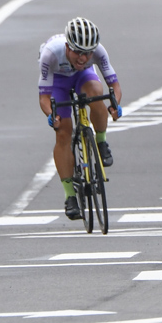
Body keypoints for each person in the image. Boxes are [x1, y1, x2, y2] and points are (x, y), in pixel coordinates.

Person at [38, 18, 123, 220]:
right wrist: (52, 116)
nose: (83, 58)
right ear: (68, 46)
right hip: (57, 80)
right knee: (63, 132)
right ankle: (70, 196)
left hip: (83, 77)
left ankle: (100, 142)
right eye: (78, 52)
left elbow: (115, 87)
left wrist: (115, 105)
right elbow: (43, 98)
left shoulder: (98, 52)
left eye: (88, 53)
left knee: (97, 93)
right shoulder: (50, 54)